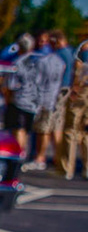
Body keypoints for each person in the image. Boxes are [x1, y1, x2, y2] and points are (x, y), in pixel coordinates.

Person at [32, 31, 70, 170]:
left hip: (54, 94)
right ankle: (58, 158)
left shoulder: (59, 55)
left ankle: (41, 157)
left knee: (46, 127)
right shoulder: (69, 53)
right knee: (56, 127)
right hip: (63, 92)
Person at [7, 34, 42, 159]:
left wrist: (8, 99)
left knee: (18, 129)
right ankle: (23, 153)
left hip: (20, 100)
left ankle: (19, 155)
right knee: (26, 130)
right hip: (34, 101)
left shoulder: (17, 62)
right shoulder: (39, 61)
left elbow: (10, 85)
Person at [59, 58, 88, 180]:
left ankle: (68, 168)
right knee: (85, 132)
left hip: (82, 92)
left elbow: (79, 75)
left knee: (71, 131)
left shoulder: (81, 54)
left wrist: (75, 88)